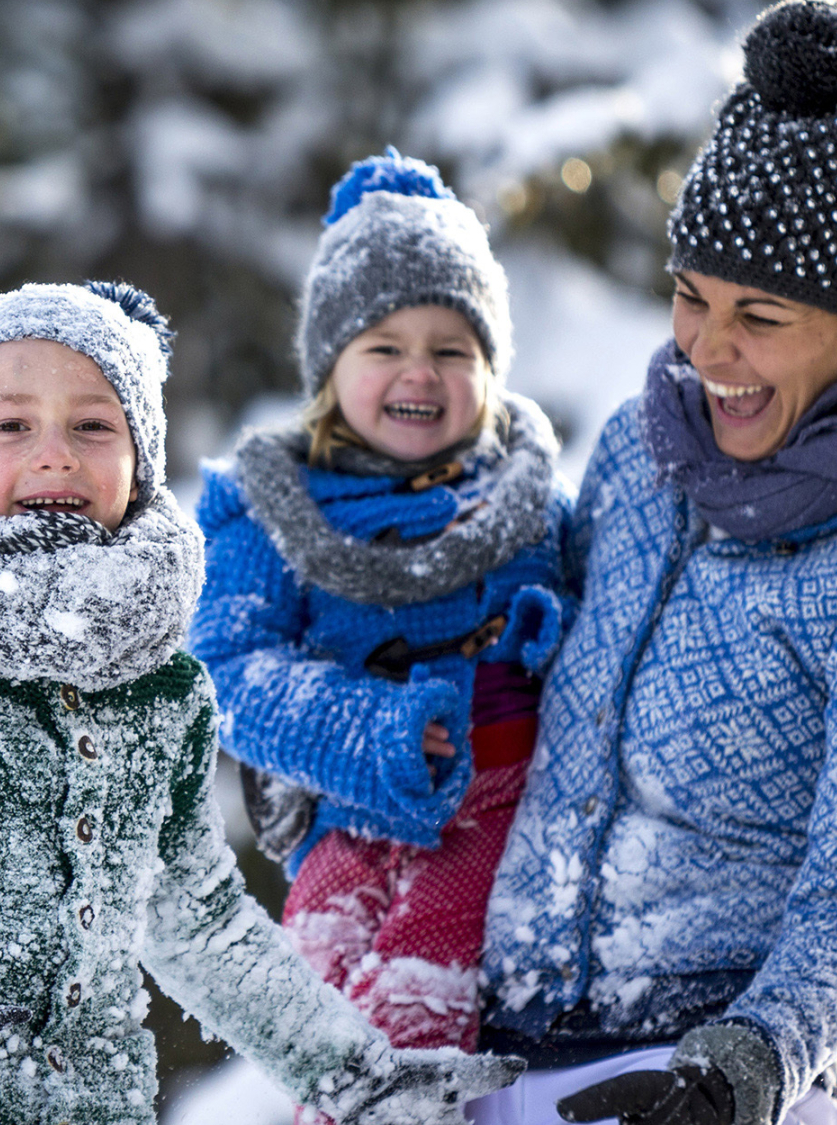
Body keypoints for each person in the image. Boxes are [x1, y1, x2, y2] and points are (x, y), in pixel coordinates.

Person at [0, 280, 521, 1125]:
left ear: (142, 468)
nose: (55, 453)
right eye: (11, 424)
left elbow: (199, 925)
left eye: (93, 425)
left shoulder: (165, 694)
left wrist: (353, 1070)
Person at [470, 3, 837, 1125]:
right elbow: (514, 659)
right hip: (504, 1056)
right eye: (688, 298)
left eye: (757, 315)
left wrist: (743, 1065)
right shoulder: (641, 454)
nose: (705, 351)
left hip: (702, 1082)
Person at [191, 150, 574, 1084]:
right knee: (319, 1024)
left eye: (454, 349)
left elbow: (604, 625)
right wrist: (369, 729)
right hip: (347, 822)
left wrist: (549, 628)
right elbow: (226, 670)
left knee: (415, 1006)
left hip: (494, 814)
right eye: (385, 347)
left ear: (490, 367)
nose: (421, 373)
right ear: (331, 366)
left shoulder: (529, 506)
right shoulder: (272, 513)